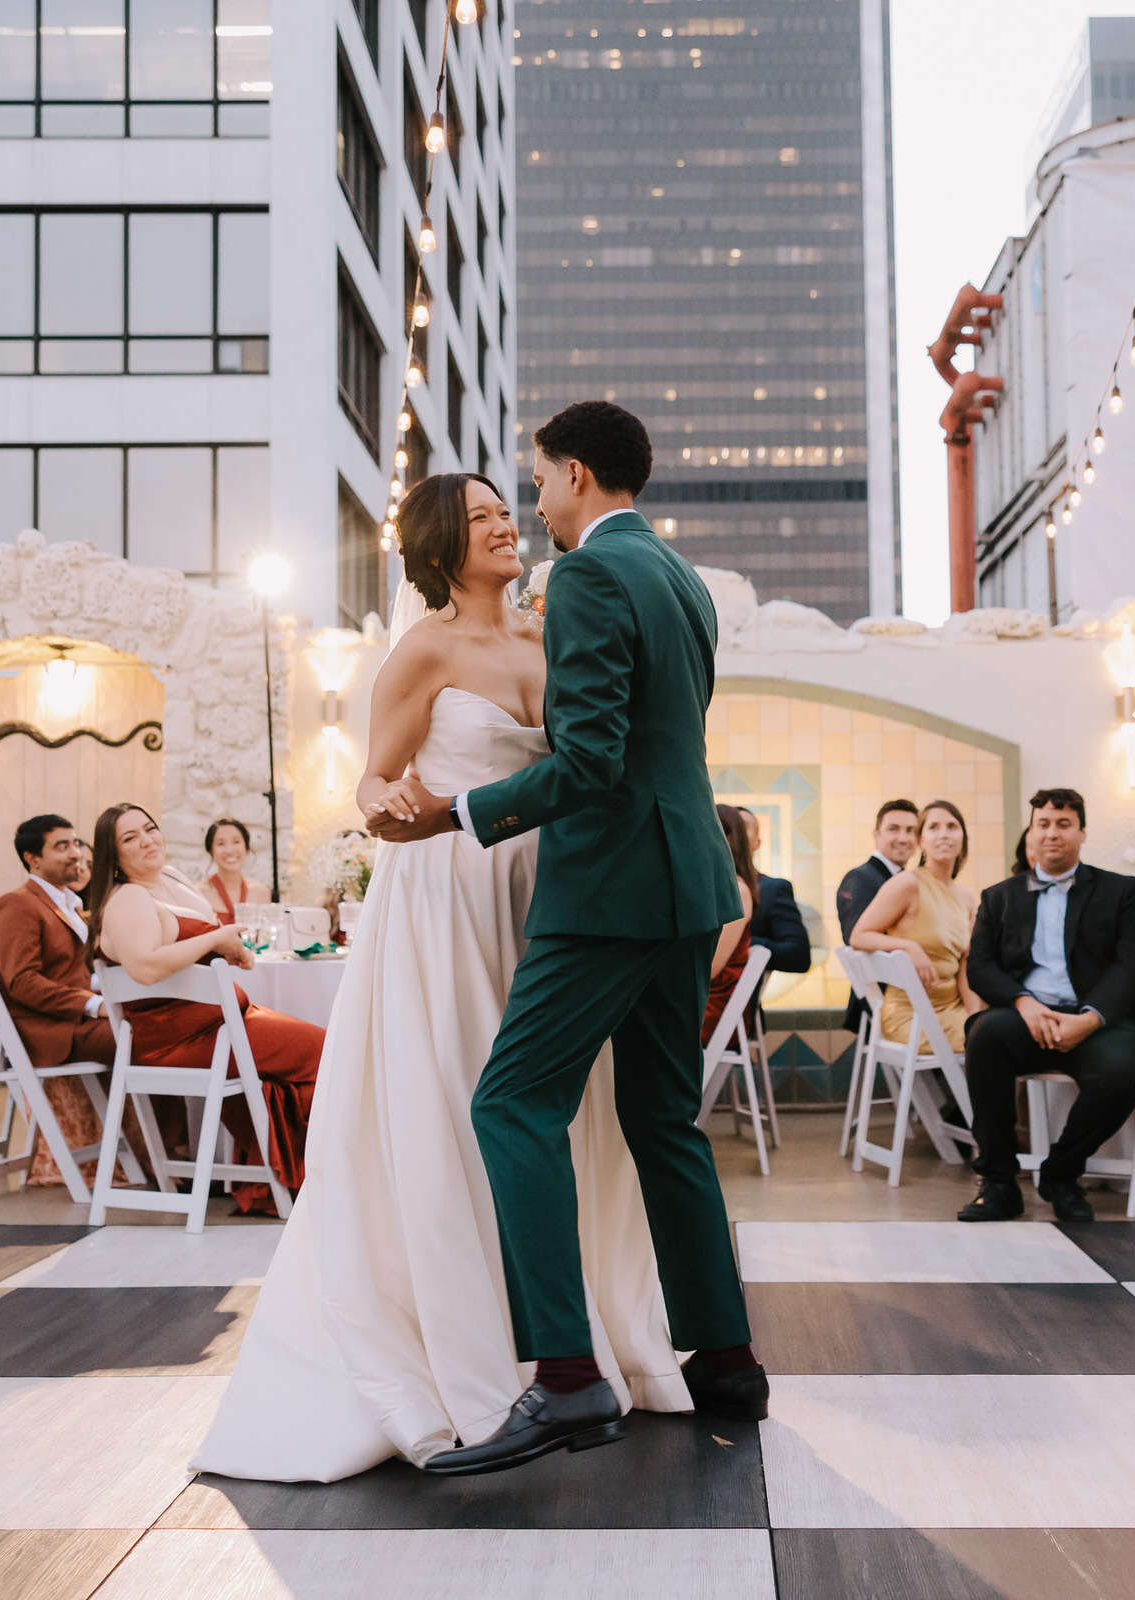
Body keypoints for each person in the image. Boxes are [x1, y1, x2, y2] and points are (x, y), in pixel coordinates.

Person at [197, 467, 692, 1484]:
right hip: (443, 898)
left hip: (552, 898)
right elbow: (373, 777)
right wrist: (384, 806)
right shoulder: (420, 648)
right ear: (438, 545)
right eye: (478, 518)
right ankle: (475, 1344)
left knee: (553, 1110)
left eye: (505, 510)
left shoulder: (555, 630)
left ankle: (569, 1336)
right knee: (462, 1101)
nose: (504, 525)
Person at [361, 404, 761, 1476]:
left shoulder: (584, 577)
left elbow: (589, 764)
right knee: (662, 1114)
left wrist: (451, 814)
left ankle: (569, 1379)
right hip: (689, 883)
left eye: (535, 484)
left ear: (576, 474)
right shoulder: (684, 581)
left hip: (605, 890)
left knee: (512, 1102)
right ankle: (726, 1357)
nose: (532, 507)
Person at [87, 802, 321, 1212]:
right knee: (330, 1052)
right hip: (183, 1040)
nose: (146, 840)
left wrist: (225, 945)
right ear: (114, 854)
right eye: (130, 838)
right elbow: (143, 967)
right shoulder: (128, 899)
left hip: (224, 1026)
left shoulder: (171, 879)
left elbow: (189, 944)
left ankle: (303, 1174)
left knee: (304, 1059)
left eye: (149, 828)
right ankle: (327, 1170)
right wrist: (215, 941)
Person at [959, 786, 1135, 1225]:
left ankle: (1062, 1174)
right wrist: (1024, 1003)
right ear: (1031, 832)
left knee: (1124, 1071)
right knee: (984, 1035)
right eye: (1043, 824)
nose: (1052, 833)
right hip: (1024, 1017)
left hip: (1093, 1022)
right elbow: (981, 968)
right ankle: (1000, 1183)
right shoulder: (999, 897)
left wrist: (1089, 1020)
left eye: (1063, 824)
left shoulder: (1119, 891)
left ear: (1082, 832)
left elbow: (1130, 968)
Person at [0, 813, 116, 1188]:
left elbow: (76, 970)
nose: (75, 853)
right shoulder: (17, 904)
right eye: (62, 846)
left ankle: (163, 1151)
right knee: (143, 1040)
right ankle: (162, 1153)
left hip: (78, 1019)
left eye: (76, 843)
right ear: (32, 858)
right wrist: (92, 1004)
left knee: (161, 1027)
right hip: (52, 1030)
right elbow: (22, 982)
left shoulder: (69, 903)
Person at [851, 798, 982, 1050]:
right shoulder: (907, 884)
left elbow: (968, 962)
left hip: (955, 1006)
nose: (944, 834)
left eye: (952, 827)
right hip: (912, 1015)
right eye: (933, 827)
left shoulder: (966, 899)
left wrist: (974, 1015)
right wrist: (908, 947)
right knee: (1003, 1040)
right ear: (921, 840)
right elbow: (859, 936)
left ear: (963, 837)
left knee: (1007, 1027)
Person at [836, 799, 921, 1033]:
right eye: (893, 829)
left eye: (911, 830)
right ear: (876, 834)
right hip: (884, 1001)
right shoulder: (861, 879)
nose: (903, 838)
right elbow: (857, 939)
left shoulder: (909, 880)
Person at [704, 804, 759, 1038]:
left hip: (713, 1009)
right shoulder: (714, 886)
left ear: (726, 838)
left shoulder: (737, 890)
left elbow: (712, 968)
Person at [737, 807, 811, 977]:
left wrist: (743, 945)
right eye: (730, 828)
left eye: (744, 826)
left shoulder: (772, 889)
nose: (737, 834)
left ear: (757, 842)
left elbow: (798, 955)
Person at [198, 817, 270, 922]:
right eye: (220, 843)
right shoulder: (199, 893)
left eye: (236, 842)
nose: (229, 850)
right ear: (210, 851)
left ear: (246, 848)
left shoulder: (261, 893)